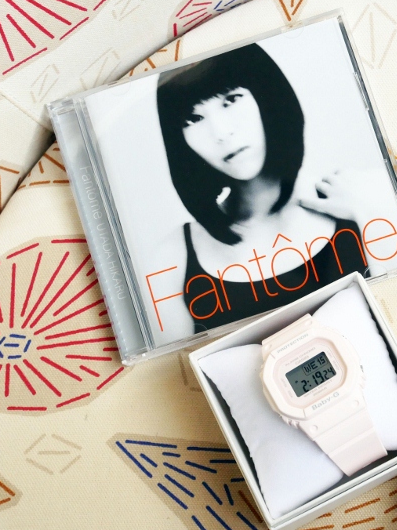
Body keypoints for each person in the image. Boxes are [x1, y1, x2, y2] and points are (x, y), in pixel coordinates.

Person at [150, 42, 377, 340]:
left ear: (267, 96)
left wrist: (369, 214)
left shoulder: (362, 198)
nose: (221, 132)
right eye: (193, 119)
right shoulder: (172, 257)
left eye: (231, 100)